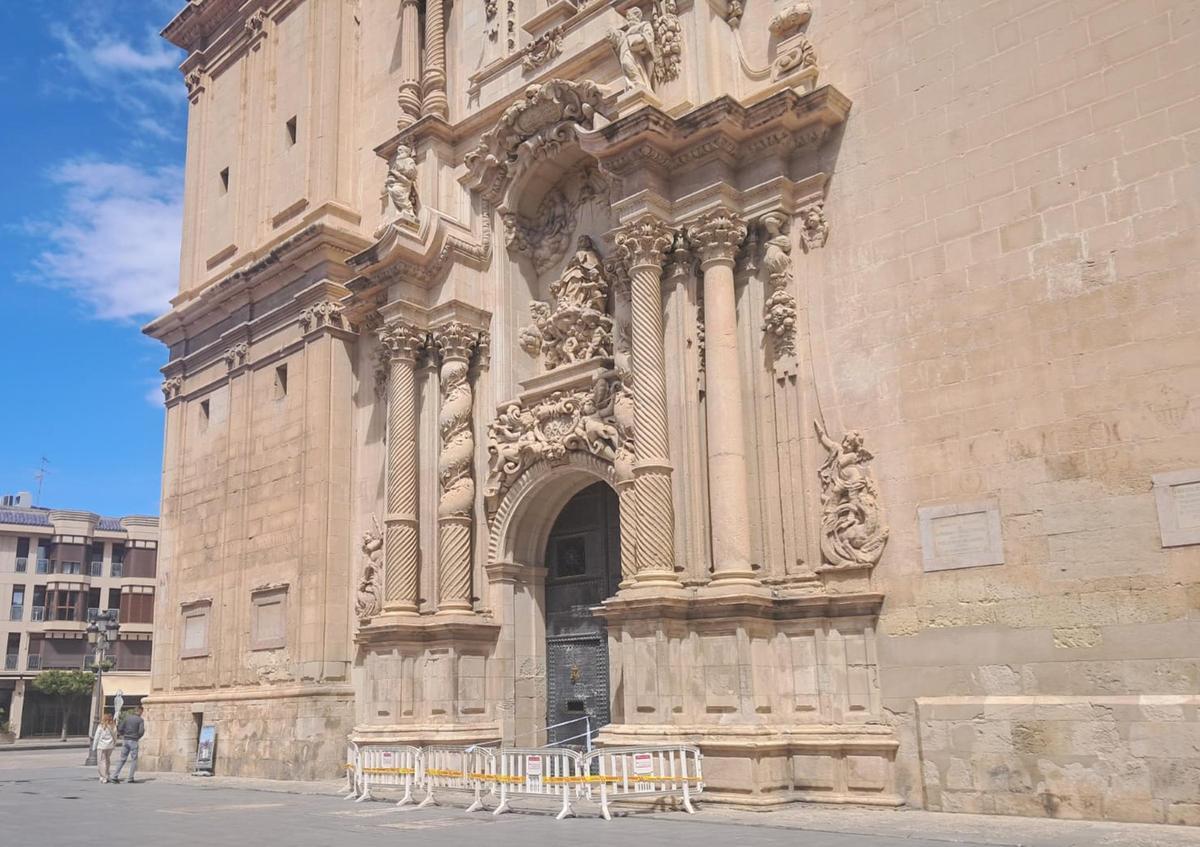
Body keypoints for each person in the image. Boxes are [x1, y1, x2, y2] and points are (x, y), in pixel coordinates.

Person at [110, 705, 145, 784]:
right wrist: (137, 737)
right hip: (134, 740)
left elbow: (120, 728)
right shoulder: (140, 720)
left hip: (125, 739)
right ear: (140, 711)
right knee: (134, 760)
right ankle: (130, 777)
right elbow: (141, 731)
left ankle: (114, 776)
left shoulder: (127, 718)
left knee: (122, 758)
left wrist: (123, 734)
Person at [91, 713, 117, 783]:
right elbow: (115, 737)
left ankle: (103, 776)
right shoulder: (113, 726)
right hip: (110, 746)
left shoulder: (101, 726)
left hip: (101, 746)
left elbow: (97, 737)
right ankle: (107, 774)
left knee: (102, 761)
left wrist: (94, 746)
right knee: (107, 760)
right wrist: (114, 745)